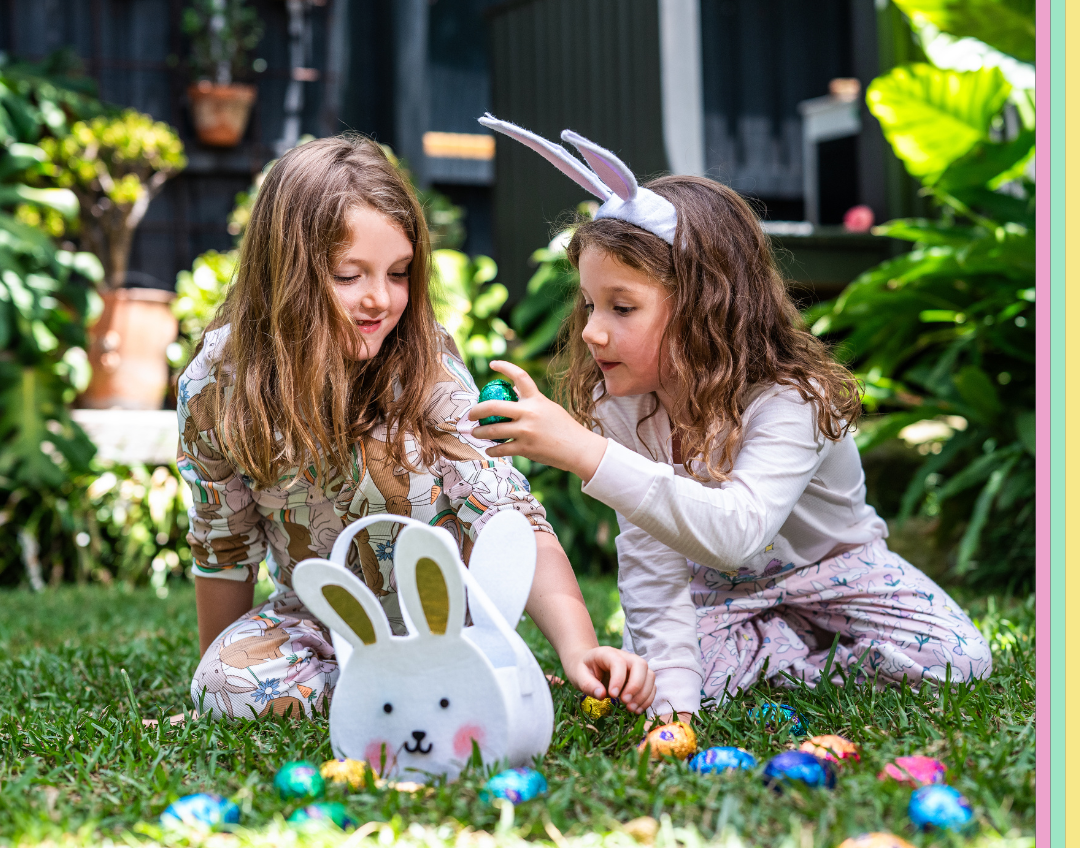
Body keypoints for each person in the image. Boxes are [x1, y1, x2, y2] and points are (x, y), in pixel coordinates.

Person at [464, 117, 992, 721]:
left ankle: (784, 651)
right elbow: (652, 567)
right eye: (589, 304)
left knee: (959, 659)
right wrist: (674, 714)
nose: (591, 330)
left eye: (622, 307)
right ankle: (786, 651)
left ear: (705, 306)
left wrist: (583, 450)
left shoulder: (796, 398)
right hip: (719, 591)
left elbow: (739, 531)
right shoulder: (627, 408)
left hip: (838, 571)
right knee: (652, 672)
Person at [179, 135, 654, 721]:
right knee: (226, 688)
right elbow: (223, 548)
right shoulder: (217, 383)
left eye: (399, 273)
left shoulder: (423, 365)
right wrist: (216, 673)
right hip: (326, 623)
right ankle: (421, 689)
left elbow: (507, 514)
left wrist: (580, 648)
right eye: (349, 275)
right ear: (286, 273)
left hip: (440, 620)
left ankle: (425, 679)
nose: (380, 299)